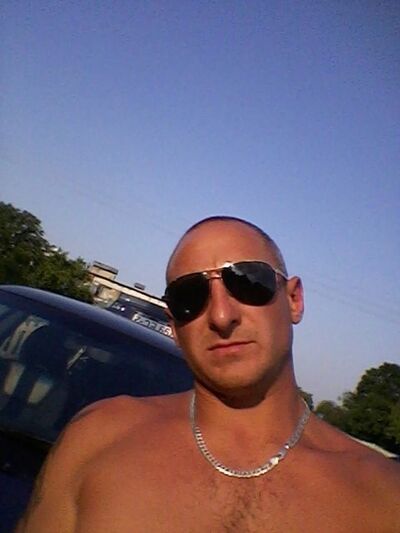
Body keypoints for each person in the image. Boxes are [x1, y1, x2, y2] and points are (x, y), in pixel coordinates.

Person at [17, 216, 400, 532]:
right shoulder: (97, 437)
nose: (220, 315)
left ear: (294, 299)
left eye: (248, 281)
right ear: (174, 325)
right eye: (189, 297)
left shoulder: (383, 497)